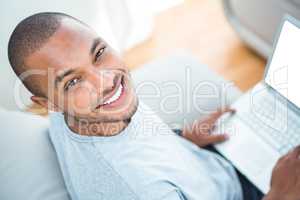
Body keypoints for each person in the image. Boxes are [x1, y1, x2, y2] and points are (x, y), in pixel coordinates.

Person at [7, 12, 300, 200]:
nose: (107, 81)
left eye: (98, 53)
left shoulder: (76, 114)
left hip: (209, 167)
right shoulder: (137, 189)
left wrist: (184, 137)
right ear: (48, 104)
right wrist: (279, 194)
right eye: (73, 82)